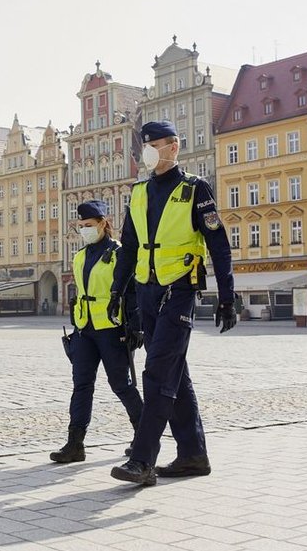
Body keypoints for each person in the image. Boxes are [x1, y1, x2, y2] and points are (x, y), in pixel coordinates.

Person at [109, 120, 236, 486]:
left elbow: (218, 245)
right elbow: (129, 248)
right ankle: (193, 454)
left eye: (154, 144)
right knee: (174, 375)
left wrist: (227, 296)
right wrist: (119, 292)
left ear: (174, 147)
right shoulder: (138, 192)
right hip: (147, 292)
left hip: (179, 290)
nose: (147, 151)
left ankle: (142, 459)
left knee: (158, 372)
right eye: (143, 145)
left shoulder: (196, 189)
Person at [50, 200, 144, 464]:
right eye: (81, 226)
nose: (84, 230)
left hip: (112, 329)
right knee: (81, 386)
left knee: (121, 385)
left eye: (89, 225)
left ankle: (144, 437)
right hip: (85, 330)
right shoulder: (80, 256)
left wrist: (137, 327)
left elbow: (133, 292)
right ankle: (75, 444)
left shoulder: (119, 253)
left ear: (104, 223)